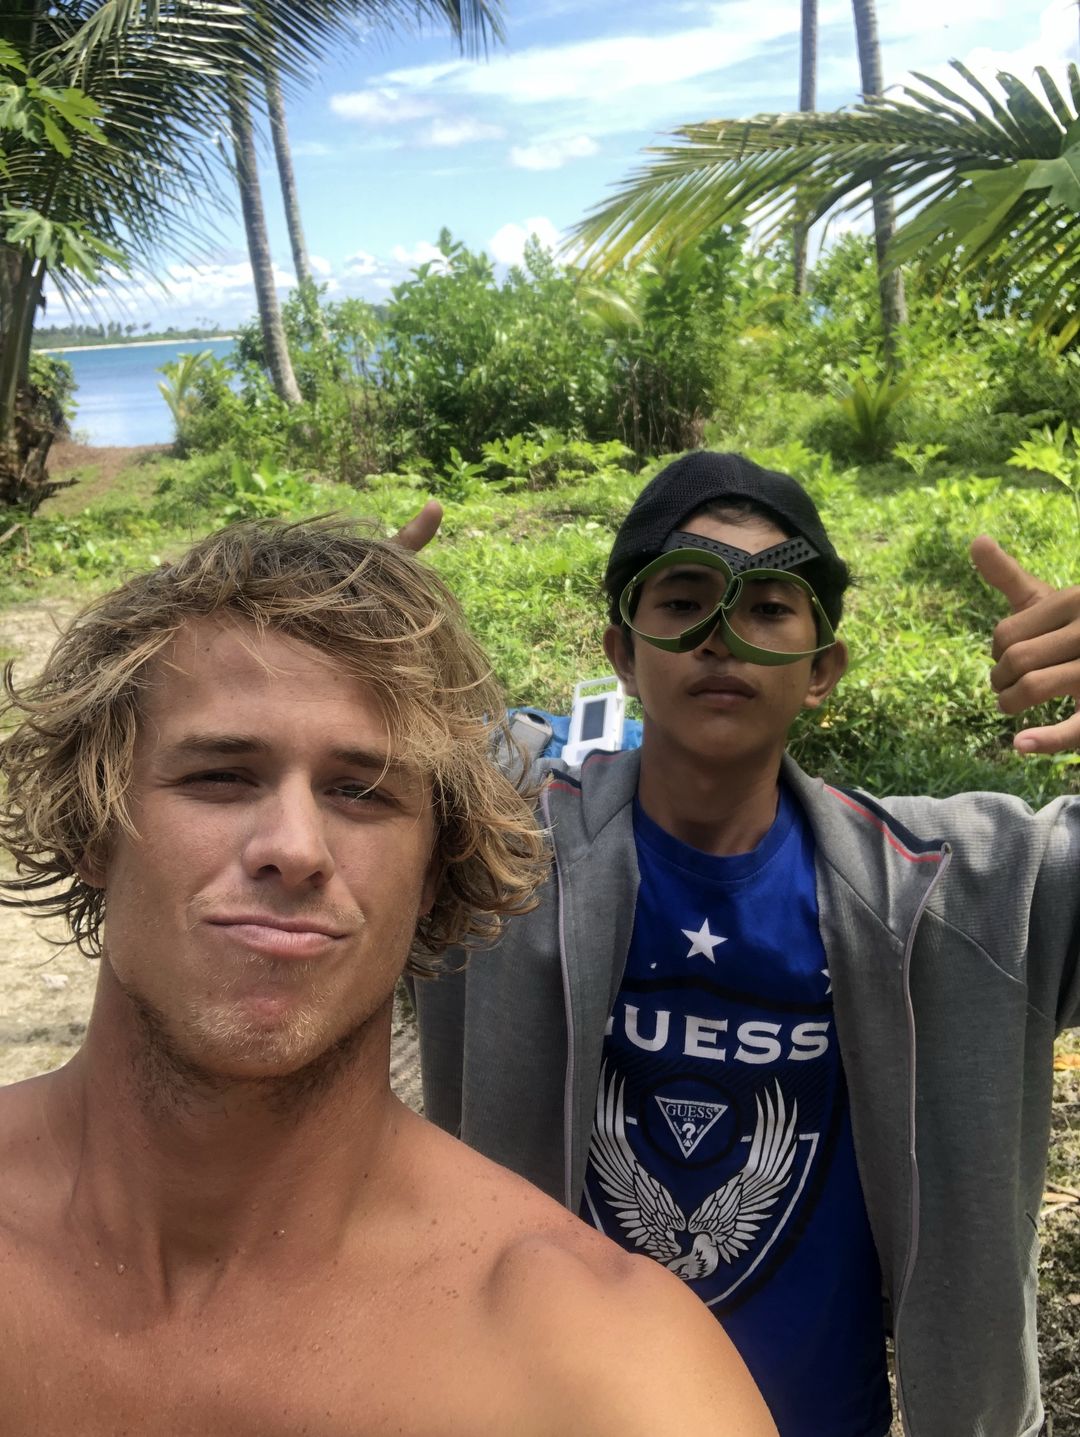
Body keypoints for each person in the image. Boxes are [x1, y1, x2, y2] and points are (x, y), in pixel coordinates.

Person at [0, 518, 775, 1437]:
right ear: (93, 826)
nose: (295, 847)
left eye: (361, 792)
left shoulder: (597, 1368)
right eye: (220, 775)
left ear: (434, 868)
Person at [413, 450, 1080, 1437]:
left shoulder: (955, 893)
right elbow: (307, 790)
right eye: (683, 602)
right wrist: (328, 659)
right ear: (622, 651)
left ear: (822, 670)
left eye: (767, 608)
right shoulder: (496, 848)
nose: (722, 636)